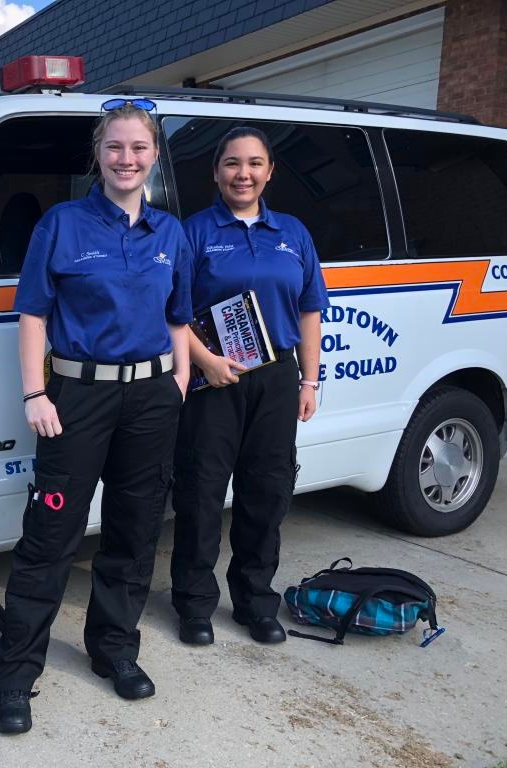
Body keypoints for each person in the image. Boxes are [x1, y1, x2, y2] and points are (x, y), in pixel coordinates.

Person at [0, 100, 192, 735]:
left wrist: (180, 379)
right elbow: (33, 316)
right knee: (49, 539)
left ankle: (115, 651)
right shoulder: (63, 224)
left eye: (138, 148)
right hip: (76, 398)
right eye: (114, 148)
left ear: (154, 154)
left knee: (134, 536)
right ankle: (16, 675)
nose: (126, 159)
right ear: (97, 155)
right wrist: (34, 393)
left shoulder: (170, 234)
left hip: (152, 399)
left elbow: (178, 316)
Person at [170, 126, 328, 647]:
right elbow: (172, 313)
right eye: (233, 164)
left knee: (266, 493)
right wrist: (205, 362)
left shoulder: (293, 233)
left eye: (255, 163)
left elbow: (309, 311)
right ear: (216, 172)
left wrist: (309, 378)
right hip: (214, 379)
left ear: (269, 172)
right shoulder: (194, 232)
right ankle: (194, 605)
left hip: (277, 379)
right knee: (201, 494)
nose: (244, 173)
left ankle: (255, 603)